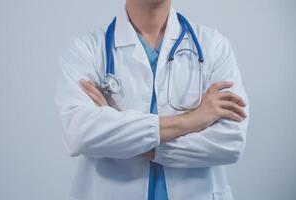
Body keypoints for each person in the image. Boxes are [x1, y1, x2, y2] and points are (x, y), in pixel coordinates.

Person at [54, 0, 249, 199]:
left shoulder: (213, 46)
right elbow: (80, 133)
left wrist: (121, 134)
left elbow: (230, 143)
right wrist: (191, 120)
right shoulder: (86, 50)